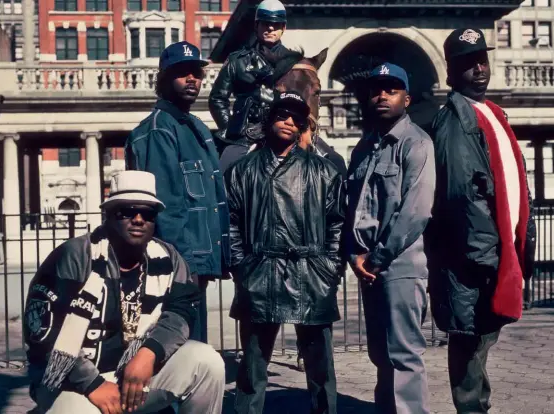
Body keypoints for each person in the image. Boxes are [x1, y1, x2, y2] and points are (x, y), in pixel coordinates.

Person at [24, 170, 225, 414]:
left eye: (148, 213)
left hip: (134, 372)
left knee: (207, 362)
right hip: (71, 380)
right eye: (127, 211)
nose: (139, 219)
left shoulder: (168, 258)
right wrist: (93, 384)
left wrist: (149, 353)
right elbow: (41, 330)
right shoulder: (74, 256)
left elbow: (180, 312)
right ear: (107, 215)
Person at [428, 28, 536, 413]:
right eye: (467, 63)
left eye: (481, 61)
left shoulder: (490, 112)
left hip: (495, 252)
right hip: (475, 262)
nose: (478, 69)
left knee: (481, 341)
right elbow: (462, 197)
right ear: (450, 72)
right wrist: (486, 257)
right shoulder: (456, 120)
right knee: (469, 343)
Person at [225, 90, 345, 414]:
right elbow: (231, 222)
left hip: (311, 275)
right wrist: (241, 266)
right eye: (281, 114)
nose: (289, 121)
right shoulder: (242, 170)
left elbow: (337, 224)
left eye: (296, 117)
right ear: (268, 120)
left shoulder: (324, 172)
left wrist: (329, 267)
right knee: (252, 368)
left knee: (321, 369)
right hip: (260, 276)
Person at [125, 41, 230, 344]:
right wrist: (182, 266)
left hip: (200, 259)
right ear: (164, 79)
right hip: (180, 263)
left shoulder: (195, 126)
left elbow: (212, 197)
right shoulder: (158, 129)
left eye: (196, 73)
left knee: (193, 342)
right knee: (177, 345)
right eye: (182, 73)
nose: (192, 80)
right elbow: (166, 207)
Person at [345, 63, 435, 414]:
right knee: (381, 355)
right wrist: (355, 254)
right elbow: (354, 209)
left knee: (403, 356)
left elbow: (415, 211)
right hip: (369, 267)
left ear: (407, 98)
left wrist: (376, 258)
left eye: (392, 89)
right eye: (376, 89)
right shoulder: (366, 147)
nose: (382, 95)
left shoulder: (415, 143)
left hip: (399, 266)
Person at [209, 0, 291, 160]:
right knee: (225, 166)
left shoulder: (294, 62)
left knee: (332, 159)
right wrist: (231, 128)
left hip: (285, 131)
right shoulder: (236, 60)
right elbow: (217, 99)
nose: (270, 28)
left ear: (283, 28)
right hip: (246, 134)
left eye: (276, 24)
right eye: (265, 24)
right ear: (256, 26)